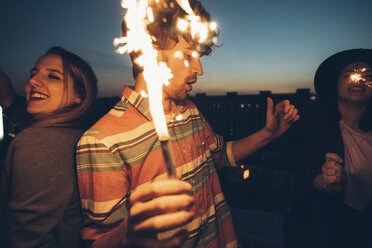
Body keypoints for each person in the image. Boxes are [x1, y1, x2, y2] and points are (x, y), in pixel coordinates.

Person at [76, 0, 300, 247]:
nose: (199, 69)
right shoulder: (102, 141)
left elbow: (221, 156)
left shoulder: (190, 111)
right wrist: (128, 233)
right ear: (148, 52)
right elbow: (96, 242)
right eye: (188, 54)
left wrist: (268, 134)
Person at [1, 46, 98, 248]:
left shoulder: (40, 142)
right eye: (32, 73)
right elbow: (8, 98)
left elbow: (25, 240)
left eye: (53, 76)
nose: (32, 81)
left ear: (78, 96)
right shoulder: (69, 134)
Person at [293, 49, 372, 248]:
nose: (359, 80)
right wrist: (328, 182)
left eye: (368, 76)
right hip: (331, 232)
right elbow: (306, 173)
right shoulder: (313, 125)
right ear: (335, 83)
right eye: (349, 75)